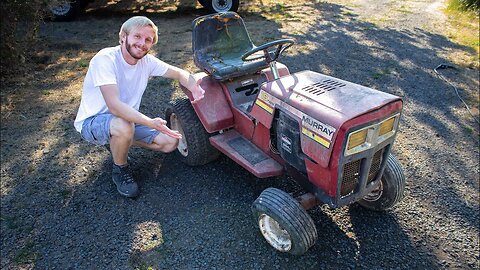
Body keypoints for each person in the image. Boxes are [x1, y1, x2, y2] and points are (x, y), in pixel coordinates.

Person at [74, 16, 205, 198]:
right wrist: (151, 123)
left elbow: (180, 72)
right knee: (123, 125)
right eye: (137, 37)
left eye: (148, 40)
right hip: (93, 122)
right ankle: (120, 169)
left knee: (170, 142)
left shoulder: (147, 62)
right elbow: (115, 107)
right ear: (123, 36)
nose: (142, 43)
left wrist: (194, 87)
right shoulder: (105, 59)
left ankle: (118, 141)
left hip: (126, 120)